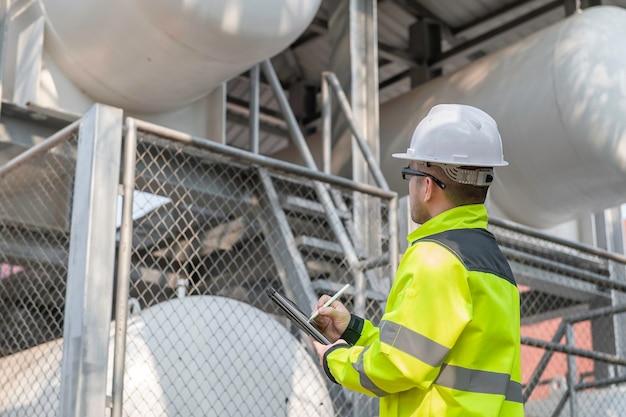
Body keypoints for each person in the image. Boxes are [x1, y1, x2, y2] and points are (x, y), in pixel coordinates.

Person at [311, 103, 524, 416]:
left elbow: (399, 366)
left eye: (408, 174)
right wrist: (354, 331)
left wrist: (334, 360)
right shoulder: (497, 269)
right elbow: (423, 354)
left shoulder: (435, 258)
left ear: (426, 186)